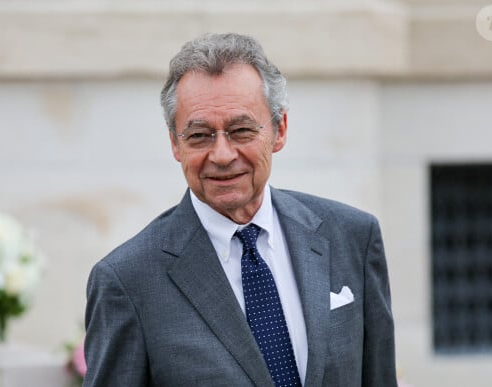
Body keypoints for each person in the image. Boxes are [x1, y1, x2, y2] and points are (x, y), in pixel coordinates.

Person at [83, 32, 397, 387]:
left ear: (279, 130)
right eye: (199, 135)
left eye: (241, 130)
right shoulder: (128, 280)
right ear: (175, 143)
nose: (222, 155)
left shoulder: (352, 237)